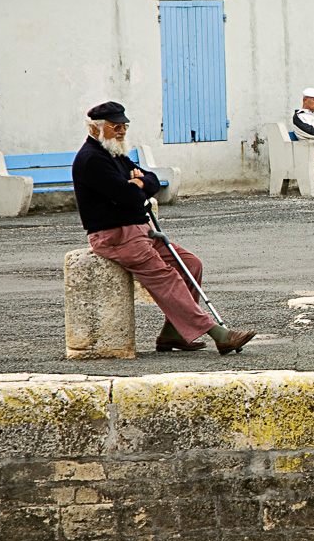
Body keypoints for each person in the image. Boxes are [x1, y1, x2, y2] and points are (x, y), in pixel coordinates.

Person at [72, 102, 256, 354]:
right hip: (116, 236)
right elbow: (128, 196)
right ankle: (219, 334)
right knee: (167, 277)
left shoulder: (114, 154)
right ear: (95, 129)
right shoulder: (91, 159)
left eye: (124, 126)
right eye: (115, 127)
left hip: (140, 231)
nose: (121, 132)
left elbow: (153, 180)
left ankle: (174, 333)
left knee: (190, 264)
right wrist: (136, 185)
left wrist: (138, 182)